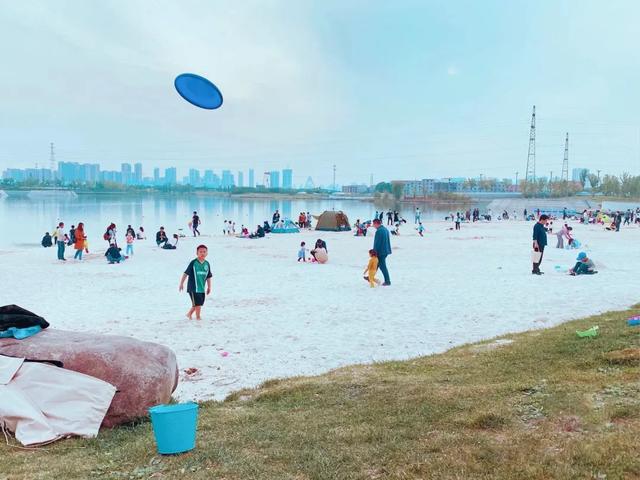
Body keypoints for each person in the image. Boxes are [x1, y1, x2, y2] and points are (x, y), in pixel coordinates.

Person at [179, 245, 212, 321]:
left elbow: (208, 276)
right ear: (197, 253)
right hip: (193, 287)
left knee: (198, 303)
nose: (202, 253)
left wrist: (209, 287)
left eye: (204, 252)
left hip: (202, 288)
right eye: (200, 252)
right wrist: (181, 283)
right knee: (197, 304)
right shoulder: (193, 263)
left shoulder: (207, 264)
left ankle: (189, 314)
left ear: (207, 253)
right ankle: (198, 317)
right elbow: (185, 273)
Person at [372, 218, 392, 285]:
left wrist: (374, 252)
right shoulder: (385, 229)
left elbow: (377, 243)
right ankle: (370, 277)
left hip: (381, 252)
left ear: (376, 224)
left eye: (373, 224)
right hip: (385, 250)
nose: (373, 226)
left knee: (382, 266)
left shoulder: (379, 231)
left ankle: (387, 281)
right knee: (376, 265)